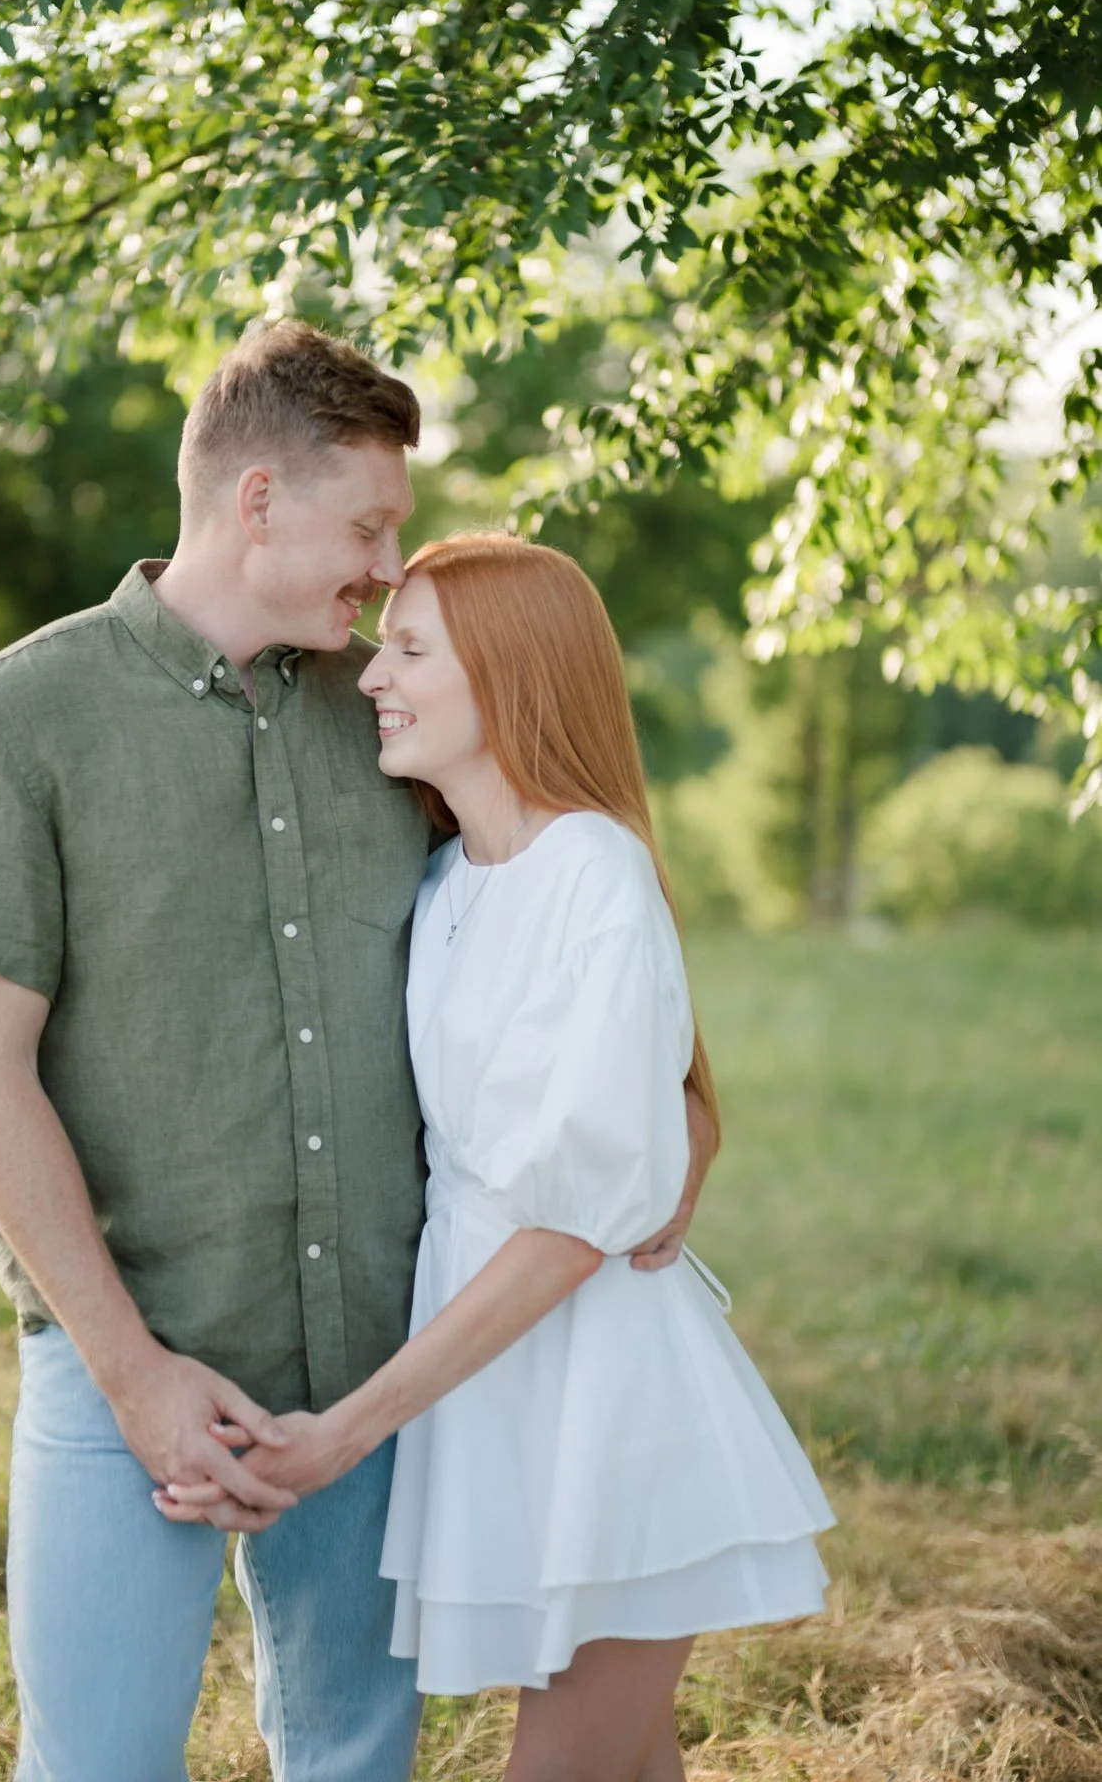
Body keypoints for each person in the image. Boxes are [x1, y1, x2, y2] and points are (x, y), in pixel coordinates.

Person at [0, 324, 714, 1782]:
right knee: (98, 1767)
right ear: (257, 499)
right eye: (371, 525)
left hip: (371, 1367)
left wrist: (681, 1128)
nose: (389, 569)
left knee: (350, 1759)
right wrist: (134, 1372)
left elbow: (583, 917)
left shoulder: (394, 708)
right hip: (124, 1363)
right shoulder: (15, 723)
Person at [161, 533, 834, 1782]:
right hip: (498, 1376)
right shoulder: (441, 882)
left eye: (412, 649)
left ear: (511, 678)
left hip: (598, 1387)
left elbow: (575, 1220)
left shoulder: (593, 871)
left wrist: (349, 1430)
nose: (371, 672)